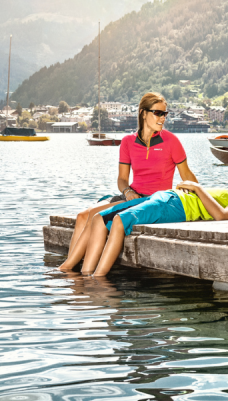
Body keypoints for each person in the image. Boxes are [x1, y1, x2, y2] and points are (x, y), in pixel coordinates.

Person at [59, 92, 197, 272]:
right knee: (82, 216)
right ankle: (71, 268)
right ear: (143, 113)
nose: (162, 118)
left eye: (165, 114)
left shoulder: (171, 141)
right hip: (130, 195)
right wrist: (127, 192)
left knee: (95, 217)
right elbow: (122, 179)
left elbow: (187, 174)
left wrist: (203, 197)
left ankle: (69, 269)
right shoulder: (127, 142)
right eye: (157, 113)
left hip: (151, 199)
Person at [76, 170, 228, 277]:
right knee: (99, 218)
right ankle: (83, 274)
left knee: (119, 220)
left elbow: (222, 215)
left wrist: (197, 188)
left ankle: (97, 279)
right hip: (168, 196)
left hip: (176, 205)